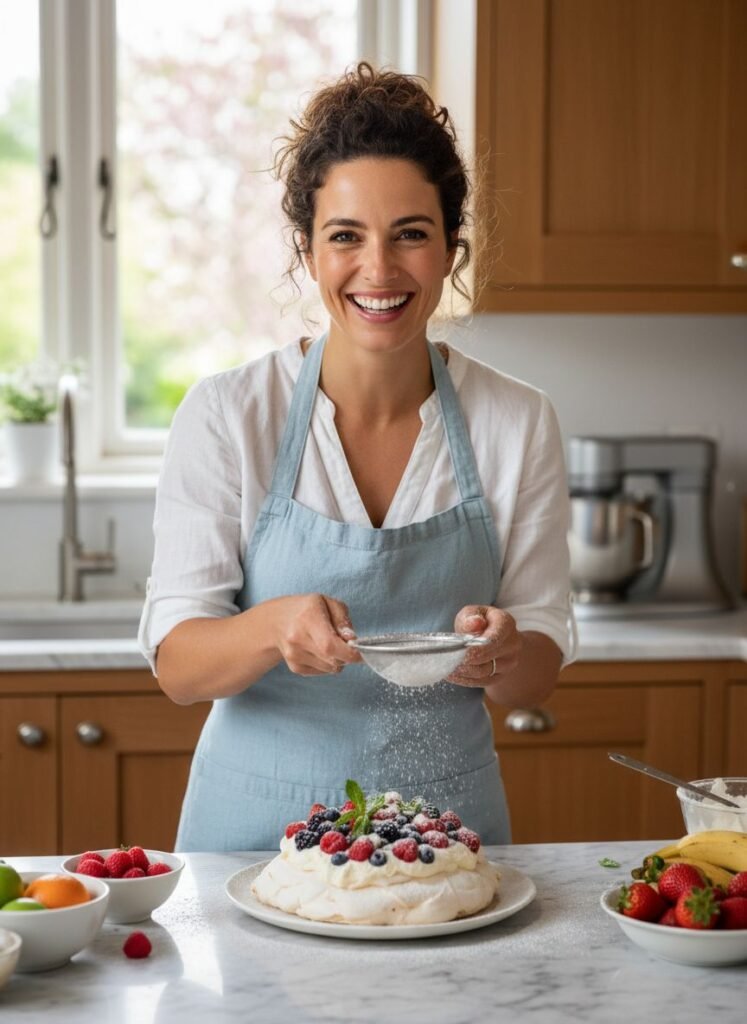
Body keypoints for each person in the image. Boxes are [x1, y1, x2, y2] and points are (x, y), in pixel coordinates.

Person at [138, 62, 575, 852]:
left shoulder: (516, 420)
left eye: (411, 233)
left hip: (447, 841)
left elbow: (535, 671)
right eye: (346, 236)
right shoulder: (229, 414)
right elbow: (178, 666)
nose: (379, 270)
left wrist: (502, 650)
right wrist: (271, 627)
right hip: (249, 842)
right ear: (307, 251)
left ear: (450, 251)